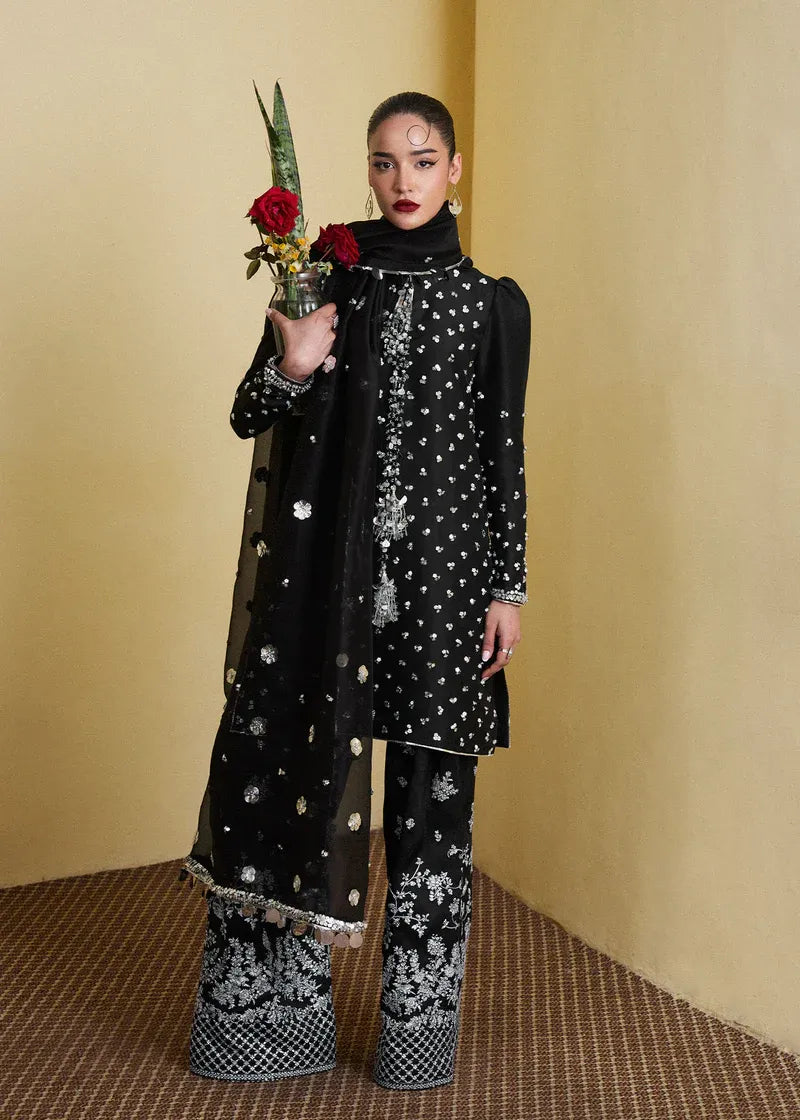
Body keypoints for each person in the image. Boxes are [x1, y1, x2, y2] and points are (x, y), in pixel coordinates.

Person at [180, 91, 531, 1091]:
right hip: (327, 580)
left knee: (433, 806)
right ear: (367, 170)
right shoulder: (326, 276)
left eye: (422, 160)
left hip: (447, 583)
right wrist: (293, 363)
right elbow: (249, 410)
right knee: (292, 770)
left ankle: (416, 1041)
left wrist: (507, 588)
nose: (402, 181)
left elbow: (502, 453)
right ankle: (270, 1029)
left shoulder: (494, 303)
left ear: (454, 169)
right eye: (384, 161)